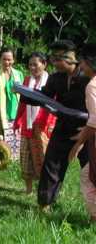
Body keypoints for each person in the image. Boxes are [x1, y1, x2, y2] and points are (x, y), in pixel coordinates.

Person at [19, 40, 89, 211]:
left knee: (91, 167)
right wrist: (23, 92)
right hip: (64, 126)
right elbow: (46, 97)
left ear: (73, 57)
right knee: (52, 165)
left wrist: (89, 129)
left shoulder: (88, 77)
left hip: (88, 129)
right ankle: (45, 203)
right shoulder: (56, 78)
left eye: (60, 58)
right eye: (54, 59)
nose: (56, 63)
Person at [13, 52, 56, 194]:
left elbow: (54, 106)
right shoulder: (26, 81)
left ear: (44, 64)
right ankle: (28, 190)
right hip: (28, 124)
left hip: (43, 126)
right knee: (26, 157)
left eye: (35, 64)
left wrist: (49, 125)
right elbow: (23, 103)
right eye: (30, 65)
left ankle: (45, 191)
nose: (32, 67)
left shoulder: (52, 82)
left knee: (43, 158)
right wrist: (17, 121)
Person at [69, 44, 96, 222]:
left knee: (88, 177)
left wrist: (78, 144)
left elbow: (95, 120)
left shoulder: (92, 86)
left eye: (83, 63)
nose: (81, 67)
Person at [0, 48, 24, 159]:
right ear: (0, 60)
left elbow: (23, 92)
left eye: (9, 59)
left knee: (15, 137)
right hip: (0, 112)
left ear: (13, 60)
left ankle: (13, 159)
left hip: (16, 111)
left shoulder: (19, 74)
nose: (7, 62)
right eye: (4, 59)